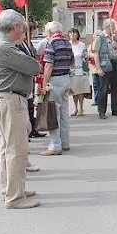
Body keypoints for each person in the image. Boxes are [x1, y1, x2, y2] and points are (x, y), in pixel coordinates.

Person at [0, 9, 41, 209]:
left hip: (8, 98)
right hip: (10, 100)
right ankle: (14, 197)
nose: (24, 30)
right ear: (16, 26)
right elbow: (34, 67)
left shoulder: (3, 44)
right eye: (22, 26)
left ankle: (11, 189)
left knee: (6, 148)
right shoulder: (5, 47)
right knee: (15, 150)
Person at [39, 21, 74, 156]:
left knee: (52, 113)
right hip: (65, 78)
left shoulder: (51, 43)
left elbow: (48, 65)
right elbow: (72, 62)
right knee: (64, 113)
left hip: (55, 80)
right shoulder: (67, 42)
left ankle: (55, 145)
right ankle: (65, 143)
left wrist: (44, 84)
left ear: (49, 32)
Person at [93, 19, 117, 119]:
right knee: (103, 89)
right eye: (113, 26)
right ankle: (102, 111)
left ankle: (115, 109)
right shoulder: (100, 37)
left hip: (116, 63)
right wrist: (98, 68)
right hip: (106, 64)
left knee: (116, 87)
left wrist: (116, 45)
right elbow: (96, 53)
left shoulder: (114, 38)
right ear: (108, 27)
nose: (114, 28)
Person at [68, 28, 91, 116]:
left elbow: (85, 57)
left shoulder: (82, 45)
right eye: (71, 34)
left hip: (81, 70)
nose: (72, 35)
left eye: (74, 34)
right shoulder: (68, 45)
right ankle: (75, 108)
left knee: (81, 90)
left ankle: (81, 108)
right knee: (74, 91)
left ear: (77, 35)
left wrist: (87, 69)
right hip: (72, 71)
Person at [87, 30, 102, 106]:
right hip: (94, 68)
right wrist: (96, 56)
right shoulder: (91, 45)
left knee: (102, 86)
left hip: (102, 68)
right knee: (95, 85)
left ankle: (101, 100)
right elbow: (88, 54)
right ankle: (96, 100)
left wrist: (95, 55)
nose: (97, 37)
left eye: (98, 35)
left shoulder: (103, 45)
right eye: (96, 35)